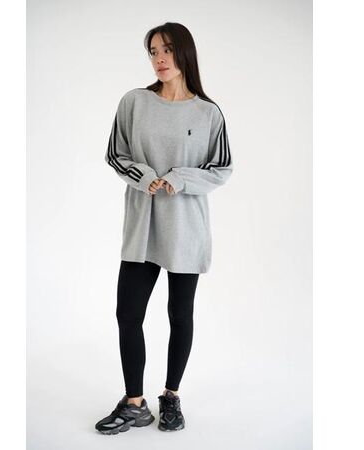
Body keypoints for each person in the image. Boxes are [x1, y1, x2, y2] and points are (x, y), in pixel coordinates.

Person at [95, 22, 233, 435]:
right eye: (153, 51)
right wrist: (144, 176)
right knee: (128, 314)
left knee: (180, 315)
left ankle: (170, 396)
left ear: (184, 52)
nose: (159, 59)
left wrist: (178, 178)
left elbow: (222, 168)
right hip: (142, 227)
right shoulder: (134, 102)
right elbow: (115, 153)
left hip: (186, 229)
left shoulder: (208, 113)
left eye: (167, 50)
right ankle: (134, 403)